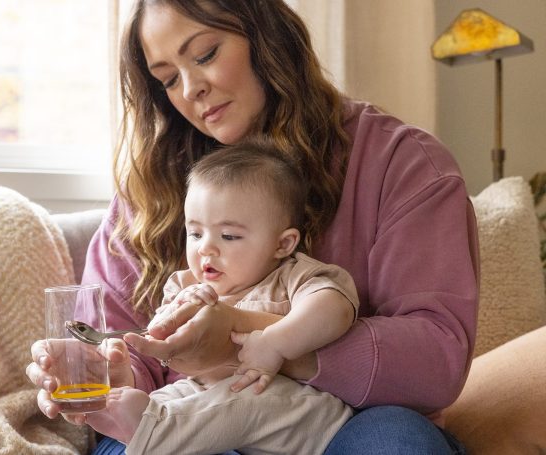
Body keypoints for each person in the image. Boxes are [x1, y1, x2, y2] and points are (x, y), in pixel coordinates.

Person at [27, 1, 478, 453]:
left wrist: (246, 337)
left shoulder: (400, 163)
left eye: (204, 54)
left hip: (341, 425)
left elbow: (435, 365)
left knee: (398, 442)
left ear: (266, 37)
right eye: (167, 78)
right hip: (189, 417)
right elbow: (110, 349)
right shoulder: (148, 196)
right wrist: (116, 373)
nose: (190, 89)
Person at [90, 139, 358, 455]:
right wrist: (173, 318)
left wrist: (274, 342)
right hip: (212, 395)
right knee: (171, 397)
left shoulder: (293, 275)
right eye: (195, 233)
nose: (206, 248)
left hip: (297, 410)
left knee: (236, 399)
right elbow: (166, 340)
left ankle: (152, 434)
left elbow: (335, 309)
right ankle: (125, 419)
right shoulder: (186, 283)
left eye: (228, 236)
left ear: (283, 244)